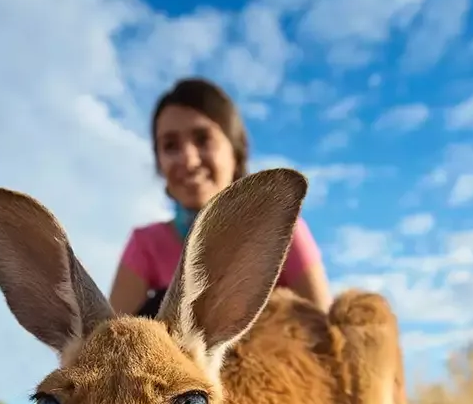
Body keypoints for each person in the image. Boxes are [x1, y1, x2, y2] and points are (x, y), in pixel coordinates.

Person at [108, 77, 332, 319]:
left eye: (203, 139)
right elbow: (105, 343)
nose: (189, 160)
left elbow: (327, 334)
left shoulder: (283, 231)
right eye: (170, 145)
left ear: (235, 151)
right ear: (159, 162)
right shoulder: (145, 245)